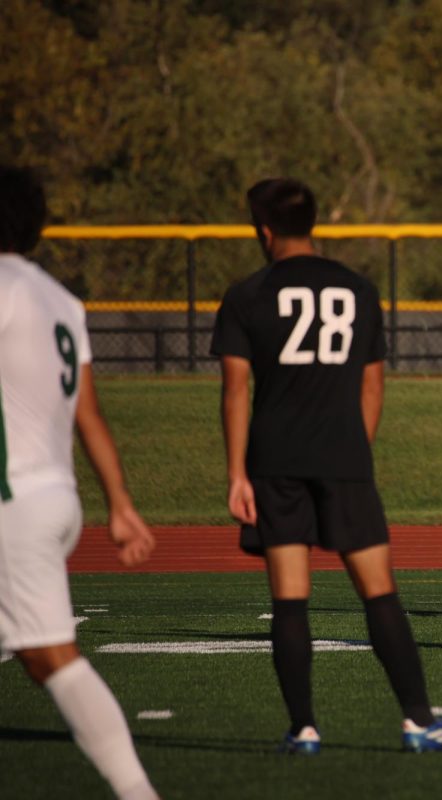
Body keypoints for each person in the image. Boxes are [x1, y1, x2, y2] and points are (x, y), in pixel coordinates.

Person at [211, 177, 442, 754]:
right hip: (344, 459)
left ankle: (303, 728)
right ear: (314, 222)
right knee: (378, 593)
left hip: (275, 461)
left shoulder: (246, 293)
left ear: (264, 229)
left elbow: (234, 391)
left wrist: (236, 474)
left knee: (289, 597)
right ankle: (418, 722)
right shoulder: (357, 289)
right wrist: (356, 450)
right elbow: (373, 385)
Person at [0, 166, 160, 799]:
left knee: (52, 659)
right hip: (56, 497)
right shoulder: (59, 299)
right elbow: (88, 413)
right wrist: (119, 503)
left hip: (12, 502)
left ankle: (137, 793)